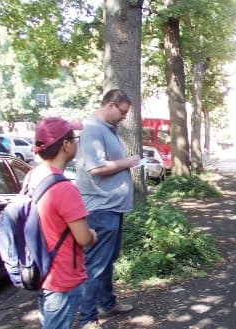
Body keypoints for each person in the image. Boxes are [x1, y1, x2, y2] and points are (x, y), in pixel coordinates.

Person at [76, 89, 140, 329]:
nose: (124, 117)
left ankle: (107, 302)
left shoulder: (107, 129)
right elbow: (95, 168)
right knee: (95, 264)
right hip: (101, 208)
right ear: (110, 105)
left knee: (108, 259)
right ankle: (87, 318)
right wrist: (129, 162)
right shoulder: (94, 129)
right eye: (122, 112)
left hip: (112, 207)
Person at [27, 117, 97, 329]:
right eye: (74, 138)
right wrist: (94, 234)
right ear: (66, 145)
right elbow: (83, 238)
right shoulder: (65, 189)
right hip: (62, 276)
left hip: (40, 268)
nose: (77, 142)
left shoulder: (33, 175)